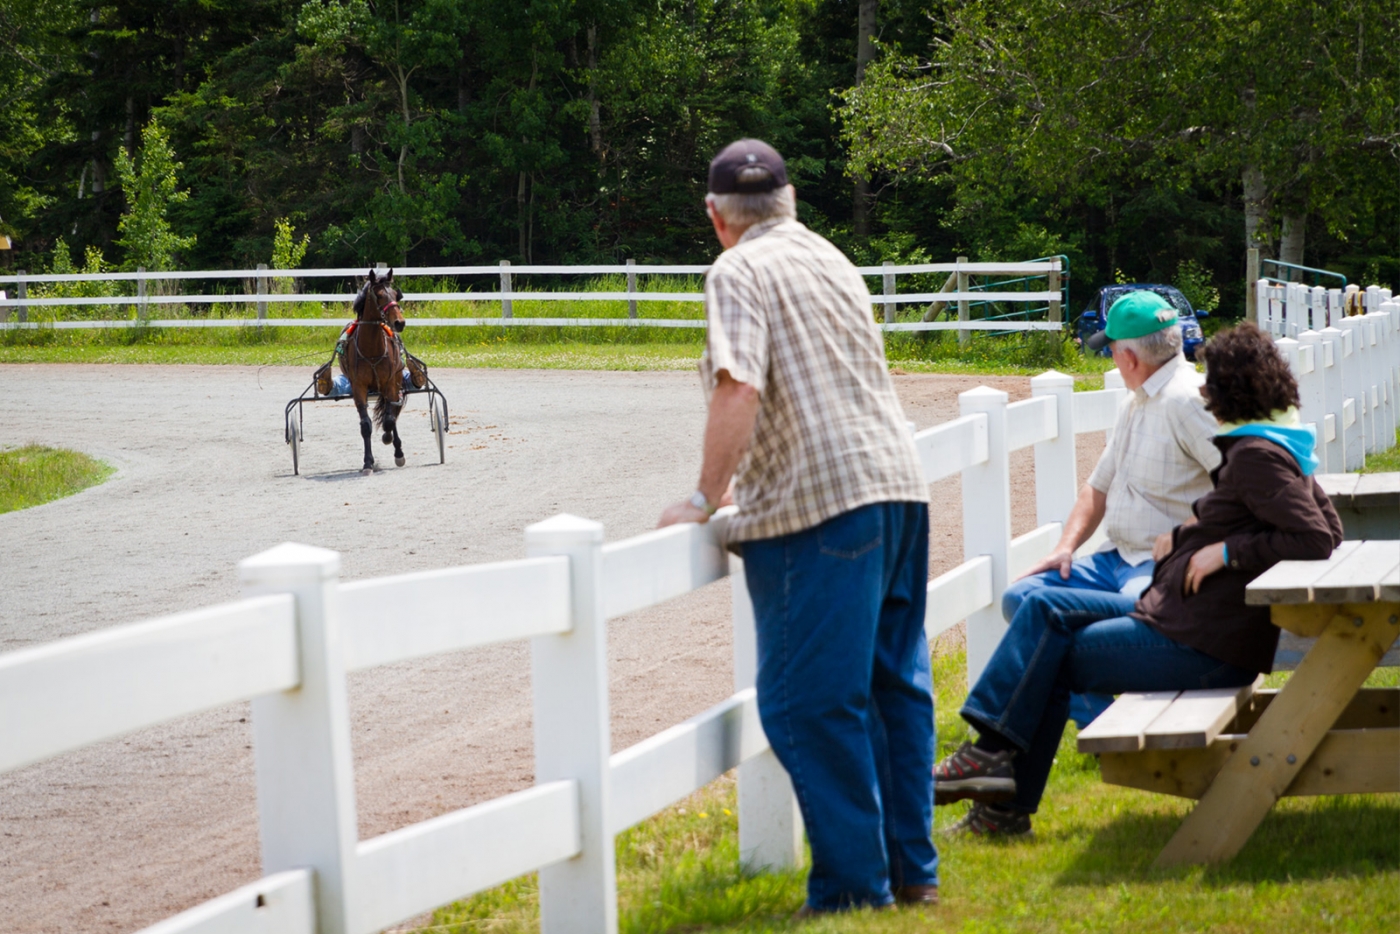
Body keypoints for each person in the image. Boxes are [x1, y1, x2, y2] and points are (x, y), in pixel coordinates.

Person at [657, 139, 939, 913]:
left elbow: (738, 384)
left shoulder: (737, 270)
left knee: (804, 702)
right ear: (789, 204)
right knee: (894, 689)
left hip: (822, 505)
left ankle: (853, 888)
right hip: (899, 485)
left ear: (716, 217)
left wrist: (705, 498)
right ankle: (912, 873)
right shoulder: (831, 258)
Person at [932, 320, 1342, 837]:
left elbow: (1316, 538)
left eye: (1211, 378)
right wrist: (1199, 527)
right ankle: (990, 766)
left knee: (1050, 649)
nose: (1203, 386)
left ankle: (994, 784)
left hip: (1204, 644)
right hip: (1183, 618)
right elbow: (1327, 523)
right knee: (1041, 610)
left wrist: (1227, 550)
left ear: (1227, 388)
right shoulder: (1275, 444)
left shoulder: (1257, 455)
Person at [1000, 291, 1222, 727]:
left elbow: (1241, 484)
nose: (1111, 362)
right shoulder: (1136, 402)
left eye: (1112, 351)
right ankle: (1107, 724)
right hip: (1114, 560)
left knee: (1084, 630)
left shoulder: (1188, 401)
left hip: (1159, 568)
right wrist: (1065, 548)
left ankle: (1115, 730)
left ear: (1130, 358)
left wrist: (1192, 539)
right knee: (1020, 597)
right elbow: (1097, 488)